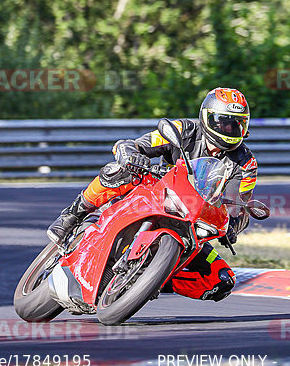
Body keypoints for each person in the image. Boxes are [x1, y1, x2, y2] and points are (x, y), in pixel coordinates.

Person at [47, 87, 258, 302]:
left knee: (222, 281)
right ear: (206, 117)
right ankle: (73, 214)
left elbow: (238, 205)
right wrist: (131, 155)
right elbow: (134, 144)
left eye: (236, 124)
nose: (229, 128)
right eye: (223, 122)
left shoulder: (245, 163)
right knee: (116, 171)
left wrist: (233, 226)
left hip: (194, 223)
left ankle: (155, 278)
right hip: (157, 191)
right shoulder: (182, 130)